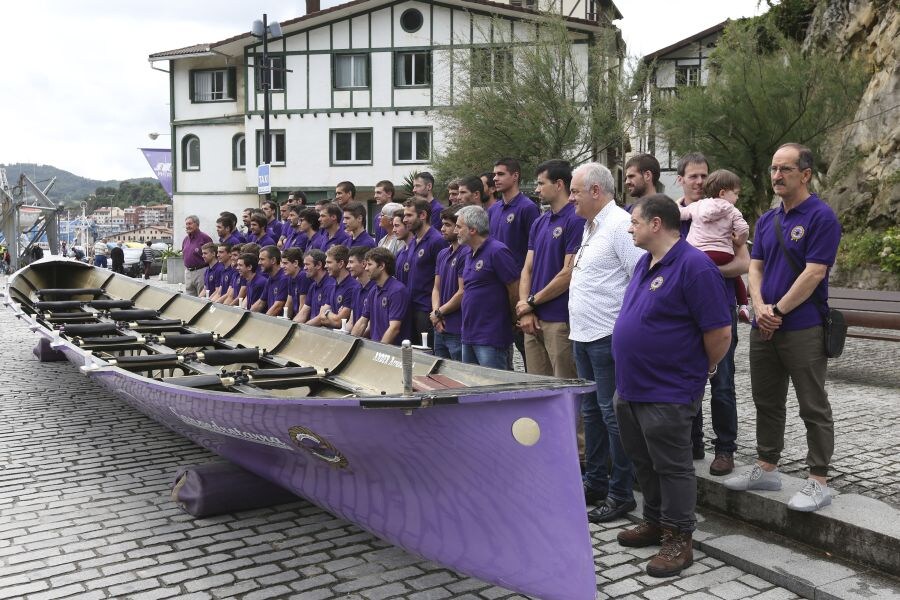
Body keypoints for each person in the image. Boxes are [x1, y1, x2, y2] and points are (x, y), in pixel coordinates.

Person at [613, 195, 732, 577]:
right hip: (631, 387)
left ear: (656, 224)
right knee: (643, 461)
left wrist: (698, 371)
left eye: (635, 221)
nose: (630, 227)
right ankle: (655, 521)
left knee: (673, 466)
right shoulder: (645, 263)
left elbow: (719, 332)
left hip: (668, 389)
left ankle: (679, 538)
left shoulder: (695, 267)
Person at [724, 143, 842, 513]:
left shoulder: (821, 217)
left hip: (803, 328)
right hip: (765, 327)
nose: (776, 175)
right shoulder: (767, 219)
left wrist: (777, 310)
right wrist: (759, 307)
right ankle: (766, 466)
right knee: (766, 400)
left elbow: (815, 272)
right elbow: (754, 266)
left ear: (804, 174)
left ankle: (818, 479)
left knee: (813, 404)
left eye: (785, 169)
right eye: (774, 169)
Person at [567, 162, 647, 521]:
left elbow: (640, 277)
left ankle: (621, 492)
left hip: (607, 336)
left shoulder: (618, 226)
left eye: (575, 191)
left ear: (596, 191)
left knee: (612, 416)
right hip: (582, 335)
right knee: (592, 414)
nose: (571, 198)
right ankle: (595, 481)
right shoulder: (590, 227)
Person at [675, 153, 749, 476]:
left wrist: (706, 271)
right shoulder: (674, 215)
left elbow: (744, 263)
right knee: (688, 377)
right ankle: (692, 443)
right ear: (680, 179)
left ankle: (725, 449)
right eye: (693, 176)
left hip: (721, 305)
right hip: (683, 310)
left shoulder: (723, 212)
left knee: (722, 379)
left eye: (704, 175)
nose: (699, 181)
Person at [517, 159, 583, 379]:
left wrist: (531, 302)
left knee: (565, 387)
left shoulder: (575, 220)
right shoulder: (540, 221)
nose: (536, 189)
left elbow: (568, 273)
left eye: (541, 183)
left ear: (559, 184)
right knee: (537, 388)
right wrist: (526, 307)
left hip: (558, 319)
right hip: (532, 317)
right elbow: (527, 268)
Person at [679, 169, 752, 323]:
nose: (737, 197)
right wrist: (739, 240)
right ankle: (744, 305)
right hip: (723, 254)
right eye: (736, 193)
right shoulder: (732, 210)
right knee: (736, 276)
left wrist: (676, 203)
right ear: (723, 193)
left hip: (698, 254)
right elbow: (744, 229)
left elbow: (680, 214)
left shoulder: (697, 206)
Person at [489, 157, 540, 367]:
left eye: (501, 174)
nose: (495, 178)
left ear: (515, 176)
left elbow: (534, 251)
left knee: (527, 348)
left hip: (518, 288)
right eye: (494, 174)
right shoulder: (493, 210)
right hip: (495, 288)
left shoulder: (528, 208)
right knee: (500, 348)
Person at [456, 205, 519, 369]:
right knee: (471, 385)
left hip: (491, 336)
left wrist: (514, 318)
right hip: (469, 335)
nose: (456, 231)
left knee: (495, 388)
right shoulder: (469, 254)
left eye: (459, 226)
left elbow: (514, 287)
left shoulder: (497, 251)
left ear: (473, 230)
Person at [403, 198, 449, 349]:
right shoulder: (413, 241)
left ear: (422, 215)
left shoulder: (437, 241)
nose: (405, 220)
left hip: (426, 309)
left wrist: (437, 311)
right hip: (412, 308)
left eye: (409, 215)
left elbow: (443, 278)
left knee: (428, 353)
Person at [431, 205, 469, 361]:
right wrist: (436, 314)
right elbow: (436, 288)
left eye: (448, 225)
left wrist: (439, 312)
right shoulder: (442, 253)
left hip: (456, 327)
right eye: (442, 224)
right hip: (439, 326)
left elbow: (462, 291)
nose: (442, 229)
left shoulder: (466, 252)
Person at [351, 247, 411, 345]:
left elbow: (394, 328)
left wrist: (379, 351)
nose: (366, 268)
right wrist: (350, 344)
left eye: (369, 264)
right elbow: (363, 321)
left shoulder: (397, 291)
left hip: (392, 353)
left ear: (381, 266)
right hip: (377, 348)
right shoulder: (373, 291)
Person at [318, 245, 361, 329]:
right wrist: (331, 315)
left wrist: (327, 313)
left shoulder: (352, 287)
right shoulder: (332, 285)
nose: (325, 266)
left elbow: (339, 322)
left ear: (341, 264)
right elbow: (321, 317)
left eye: (329, 262)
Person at [295, 249, 334, 325]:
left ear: (319, 265)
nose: (304, 268)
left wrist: (304, 329)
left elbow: (321, 318)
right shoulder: (313, 286)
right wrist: (292, 327)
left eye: (307, 264)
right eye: (304, 265)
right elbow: (303, 313)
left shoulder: (330, 285)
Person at [251, 246, 288, 316]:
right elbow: (260, 303)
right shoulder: (270, 279)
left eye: (262, 259)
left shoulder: (284, 279)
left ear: (273, 260)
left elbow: (277, 307)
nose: (259, 263)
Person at [182, 215, 213, 296]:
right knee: (189, 298)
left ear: (197, 224)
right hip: (188, 272)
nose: (187, 226)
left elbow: (212, 256)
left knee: (201, 298)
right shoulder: (185, 239)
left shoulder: (205, 238)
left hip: (201, 272)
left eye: (190, 224)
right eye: (186, 224)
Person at [348, 246, 374, 331]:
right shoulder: (356, 288)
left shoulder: (375, 289)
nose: (348, 266)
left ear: (363, 264)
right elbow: (351, 322)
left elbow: (369, 327)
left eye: (351, 262)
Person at [281, 247, 309, 319]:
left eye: (285, 263)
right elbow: (289, 302)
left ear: (296, 263)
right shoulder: (290, 276)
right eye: (282, 263)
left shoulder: (303, 276)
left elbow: (302, 305)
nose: (282, 266)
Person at [392, 211, 413, 286]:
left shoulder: (416, 251)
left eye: (397, 226)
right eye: (393, 226)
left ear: (407, 226)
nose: (393, 230)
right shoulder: (399, 253)